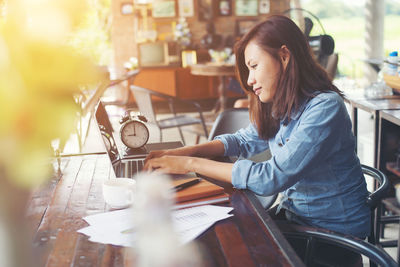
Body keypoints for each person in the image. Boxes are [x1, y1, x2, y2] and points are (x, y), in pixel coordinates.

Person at [144, 15, 370, 241]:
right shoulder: (285, 104)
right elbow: (242, 140)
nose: (250, 80)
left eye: (254, 66)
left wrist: (188, 164)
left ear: (284, 56)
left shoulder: (325, 108)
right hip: (297, 219)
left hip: (333, 235)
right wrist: (180, 153)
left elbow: (270, 177)